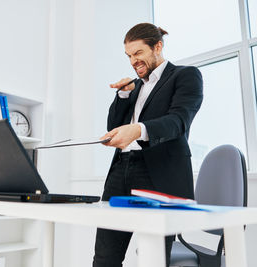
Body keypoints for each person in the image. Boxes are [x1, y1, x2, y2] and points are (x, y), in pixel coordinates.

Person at [93, 23, 203, 267]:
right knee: (104, 258)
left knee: (154, 258)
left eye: (138, 53)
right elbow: (114, 125)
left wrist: (139, 130)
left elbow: (179, 121)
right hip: (121, 170)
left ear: (158, 47)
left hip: (158, 173)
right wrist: (123, 95)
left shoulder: (185, 75)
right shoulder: (134, 86)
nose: (133, 61)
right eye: (129, 56)